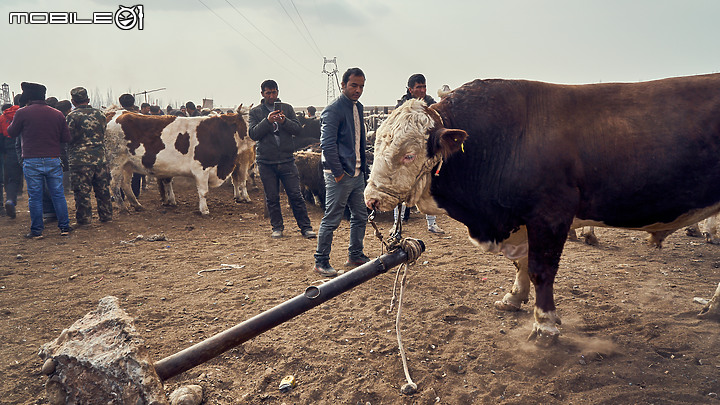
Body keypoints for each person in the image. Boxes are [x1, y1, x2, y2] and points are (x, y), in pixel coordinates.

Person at [313, 68, 370, 277]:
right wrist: (338, 173)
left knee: (360, 215)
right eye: (354, 85)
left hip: (356, 174)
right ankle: (321, 261)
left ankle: (355, 254)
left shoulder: (358, 107)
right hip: (340, 174)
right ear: (343, 85)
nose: (358, 90)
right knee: (332, 218)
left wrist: (362, 169)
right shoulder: (333, 110)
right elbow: (327, 145)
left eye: (361, 86)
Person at [248, 79, 316, 240]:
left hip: (286, 159)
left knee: (296, 195)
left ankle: (306, 228)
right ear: (262, 94)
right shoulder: (256, 112)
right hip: (266, 161)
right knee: (272, 197)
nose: (271, 96)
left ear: (278, 92)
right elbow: (253, 134)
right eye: (268, 93)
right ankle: (277, 227)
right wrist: (268, 121)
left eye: (274, 92)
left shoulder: (287, 108)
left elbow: (298, 130)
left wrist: (284, 121)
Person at [7, 82, 71, 238]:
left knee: (35, 196)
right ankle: (64, 227)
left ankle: (37, 231)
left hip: (31, 159)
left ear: (28, 97)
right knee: (58, 194)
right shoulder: (57, 114)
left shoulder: (22, 113)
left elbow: (11, 132)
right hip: (53, 158)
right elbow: (66, 138)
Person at [393, 73, 445, 234]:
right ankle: (397, 224)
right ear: (411, 89)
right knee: (401, 189)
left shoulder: (430, 104)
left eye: (424, 86)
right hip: (407, 154)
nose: (422, 90)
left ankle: (431, 224)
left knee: (428, 187)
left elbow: (439, 120)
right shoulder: (402, 106)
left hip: (426, 153)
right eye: (418, 87)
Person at [66, 87, 113, 225]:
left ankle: (84, 220)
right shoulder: (100, 114)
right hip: (100, 158)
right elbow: (103, 132)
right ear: (88, 99)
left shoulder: (71, 117)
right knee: (103, 190)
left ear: (73, 101)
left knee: (82, 192)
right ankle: (106, 216)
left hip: (80, 160)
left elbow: (68, 137)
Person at [0, 98, 23, 219]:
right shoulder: (23, 114)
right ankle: (41, 207)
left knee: (12, 180)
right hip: (27, 148)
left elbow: (0, 139)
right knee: (35, 179)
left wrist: (4, 152)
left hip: (10, 151)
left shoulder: (2, 118)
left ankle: (10, 200)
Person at [118, 94, 144, 196]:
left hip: (121, 148)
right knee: (136, 171)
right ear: (133, 102)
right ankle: (135, 194)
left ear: (120, 103)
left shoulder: (117, 116)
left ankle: (121, 194)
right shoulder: (142, 117)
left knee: (120, 171)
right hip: (137, 148)